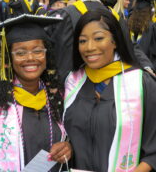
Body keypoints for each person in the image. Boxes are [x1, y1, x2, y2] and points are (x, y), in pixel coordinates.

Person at [0, 14, 71, 171]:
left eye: (37, 51)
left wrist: (69, 148)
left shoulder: (60, 99)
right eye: (20, 53)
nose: (30, 58)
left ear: (46, 55)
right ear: (8, 58)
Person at [63, 9, 156, 172]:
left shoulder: (141, 83)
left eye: (99, 38)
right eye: (82, 41)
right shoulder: (73, 82)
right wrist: (67, 147)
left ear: (115, 41)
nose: (89, 47)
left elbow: (153, 150)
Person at [47, 0, 154, 83]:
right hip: (109, 89)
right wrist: (146, 66)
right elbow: (131, 46)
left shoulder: (62, 16)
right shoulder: (115, 16)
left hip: (68, 87)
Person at [129, 0, 156, 69]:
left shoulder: (128, 24)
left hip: (130, 65)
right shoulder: (152, 27)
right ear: (149, 12)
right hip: (148, 66)